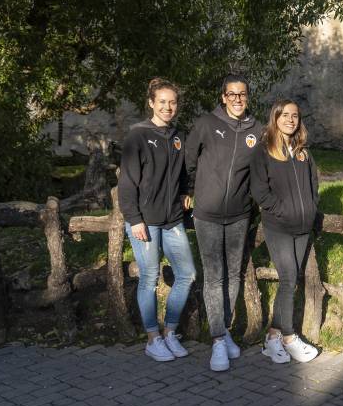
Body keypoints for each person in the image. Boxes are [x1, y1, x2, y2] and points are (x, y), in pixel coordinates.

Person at [185, 75, 263, 372]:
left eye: (242, 94)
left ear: (247, 97)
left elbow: (261, 170)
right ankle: (217, 340)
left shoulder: (256, 130)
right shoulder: (207, 123)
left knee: (233, 274)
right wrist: (188, 191)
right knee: (214, 275)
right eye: (232, 94)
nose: (237, 99)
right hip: (206, 213)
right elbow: (189, 161)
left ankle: (225, 330)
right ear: (223, 97)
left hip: (240, 214)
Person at [118, 78, 196, 362]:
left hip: (172, 219)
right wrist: (134, 219)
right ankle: (152, 338)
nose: (168, 107)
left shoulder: (178, 136)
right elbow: (127, 183)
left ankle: (170, 332)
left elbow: (185, 172)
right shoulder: (137, 135)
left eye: (172, 102)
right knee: (149, 278)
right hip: (144, 221)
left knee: (187, 274)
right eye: (162, 101)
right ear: (151, 102)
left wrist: (188, 191)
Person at [250, 99, 320, 364]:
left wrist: (311, 209)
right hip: (278, 225)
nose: (291, 120)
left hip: (302, 227)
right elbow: (258, 189)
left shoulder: (303, 151)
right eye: (285, 115)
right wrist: (281, 210)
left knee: (290, 279)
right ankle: (289, 338)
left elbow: (313, 184)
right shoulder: (264, 150)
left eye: (295, 116)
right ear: (275, 118)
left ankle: (271, 339)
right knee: (289, 277)